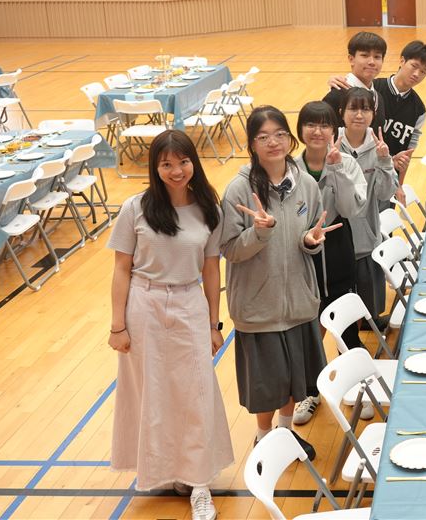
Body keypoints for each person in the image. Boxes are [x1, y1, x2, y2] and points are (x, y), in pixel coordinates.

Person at [108, 130, 232, 520]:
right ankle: (172, 471)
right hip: (143, 305)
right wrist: (117, 326)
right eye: (166, 164)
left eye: (183, 162)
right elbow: (121, 269)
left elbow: (211, 269)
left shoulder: (209, 209)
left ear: (194, 162)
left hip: (189, 302)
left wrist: (214, 324)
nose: (176, 171)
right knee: (154, 392)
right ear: (155, 167)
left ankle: (200, 484)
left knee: (196, 392)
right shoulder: (135, 208)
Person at [221, 106, 341, 447]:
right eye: (263, 137)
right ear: (252, 144)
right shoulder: (238, 190)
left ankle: (286, 434)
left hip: (298, 301)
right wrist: (259, 233)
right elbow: (229, 248)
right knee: (268, 385)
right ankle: (263, 438)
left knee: (293, 379)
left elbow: (308, 232)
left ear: (290, 139)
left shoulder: (305, 184)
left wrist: (310, 241)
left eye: (279, 135)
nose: (273, 142)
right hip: (260, 304)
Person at [291, 101, 368, 426]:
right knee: (308, 328)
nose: (318, 131)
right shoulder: (290, 169)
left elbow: (351, 210)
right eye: (311, 124)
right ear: (300, 130)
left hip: (337, 247)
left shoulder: (347, 162)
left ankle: (358, 385)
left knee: (345, 321)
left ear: (334, 130)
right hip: (301, 251)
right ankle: (310, 392)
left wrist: (337, 170)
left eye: (324, 125)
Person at [338, 89, 398, 411]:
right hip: (337, 246)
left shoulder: (378, 148)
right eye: (353, 108)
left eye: (365, 109)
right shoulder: (332, 146)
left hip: (367, 241)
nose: (359, 115)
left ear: (374, 115)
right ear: (342, 112)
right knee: (344, 322)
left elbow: (386, 194)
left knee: (367, 311)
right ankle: (355, 385)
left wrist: (386, 161)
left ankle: (363, 376)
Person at [327, 40, 426, 204]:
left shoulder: (419, 109)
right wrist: (334, 80)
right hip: (357, 175)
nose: (416, 74)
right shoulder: (373, 90)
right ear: (402, 60)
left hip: (387, 178)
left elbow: (407, 153)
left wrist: (399, 185)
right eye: (414, 66)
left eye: (423, 72)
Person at [323, 31, 387, 132]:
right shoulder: (336, 96)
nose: (372, 62)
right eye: (365, 55)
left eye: (377, 57)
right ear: (351, 59)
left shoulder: (378, 97)